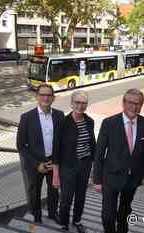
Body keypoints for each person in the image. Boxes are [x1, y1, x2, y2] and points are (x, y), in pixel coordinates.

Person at [93, 88, 144, 233]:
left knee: (125, 211)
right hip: (111, 177)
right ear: (123, 103)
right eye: (131, 103)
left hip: (133, 179)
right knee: (108, 215)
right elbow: (99, 153)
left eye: (138, 104)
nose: (134, 107)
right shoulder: (109, 123)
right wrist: (97, 180)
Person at [17, 84, 64, 223]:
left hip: (53, 161)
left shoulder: (59, 115)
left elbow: (62, 141)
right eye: (42, 94)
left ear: (53, 98)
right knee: (34, 191)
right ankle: (36, 215)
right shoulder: (26, 117)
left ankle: (52, 213)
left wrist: (58, 162)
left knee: (54, 190)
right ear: (37, 97)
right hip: (35, 163)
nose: (46, 97)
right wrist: (37, 165)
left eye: (49, 95)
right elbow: (21, 145)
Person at [56, 90, 96, 233]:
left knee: (81, 196)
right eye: (77, 102)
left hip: (84, 165)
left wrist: (93, 167)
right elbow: (56, 149)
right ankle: (64, 223)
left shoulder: (89, 121)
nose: (80, 106)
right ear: (72, 103)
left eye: (83, 103)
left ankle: (77, 220)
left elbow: (93, 144)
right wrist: (56, 174)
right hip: (67, 167)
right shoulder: (63, 123)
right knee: (66, 198)